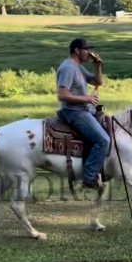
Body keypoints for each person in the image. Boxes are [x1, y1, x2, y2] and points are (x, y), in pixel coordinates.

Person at [56, 38, 110, 190]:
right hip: (74, 112)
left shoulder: (78, 67)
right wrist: (86, 98)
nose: (89, 52)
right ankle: (89, 177)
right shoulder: (67, 68)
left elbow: (97, 82)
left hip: (84, 109)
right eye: (86, 49)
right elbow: (62, 95)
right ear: (77, 51)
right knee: (103, 140)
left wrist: (97, 66)